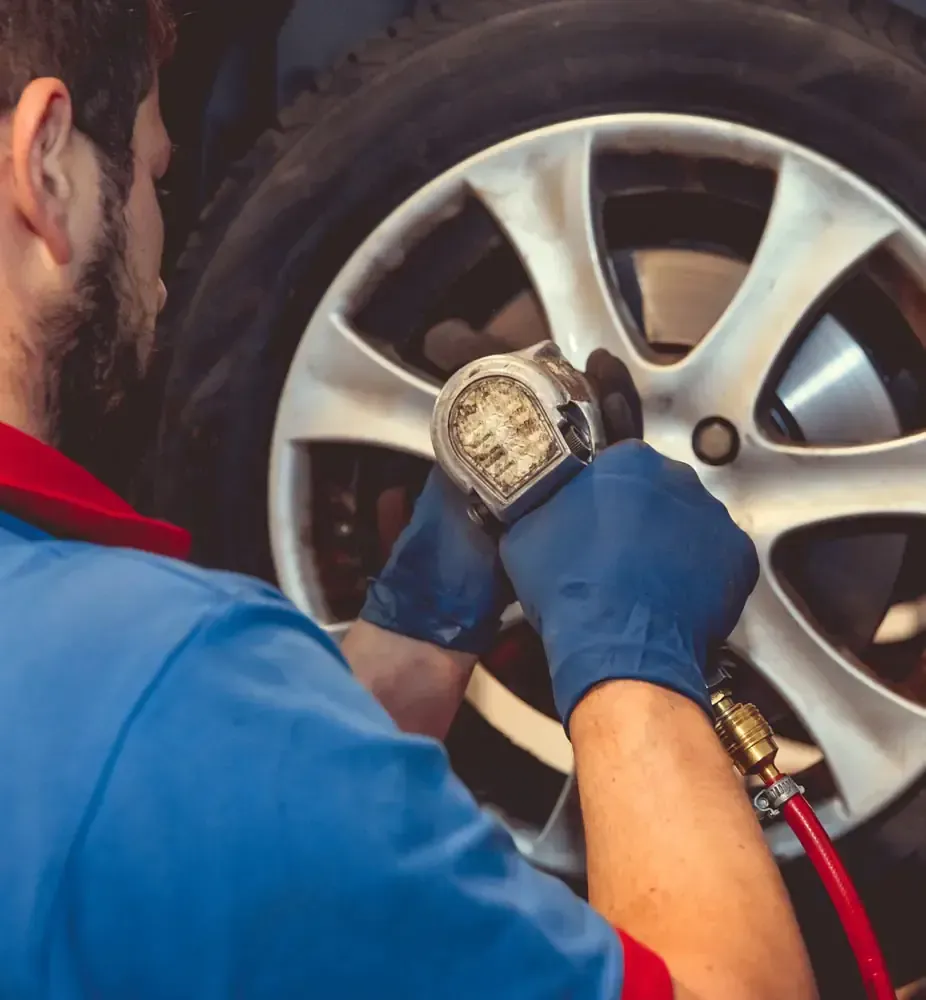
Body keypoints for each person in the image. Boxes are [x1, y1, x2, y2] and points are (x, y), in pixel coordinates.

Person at [0, 3, 818, 998]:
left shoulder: (118, 693)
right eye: (154, 175)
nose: (157, 249)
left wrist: (417, 627)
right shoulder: (159, 683)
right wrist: (634, 665)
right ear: (45, 164)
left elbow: (212, 817)